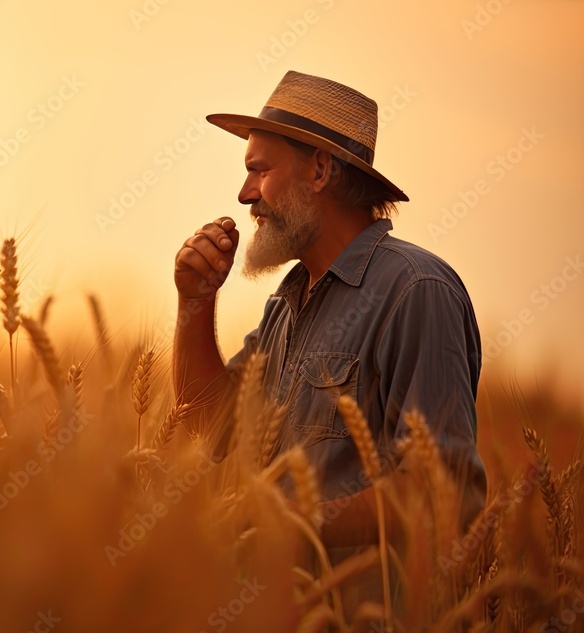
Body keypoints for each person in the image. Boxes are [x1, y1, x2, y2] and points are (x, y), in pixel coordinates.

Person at [172, 71, 486, 549]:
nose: (244, 193)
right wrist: (194, 302)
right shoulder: (287, 302)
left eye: (260, 170)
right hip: (277, 617)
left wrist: (292, 524)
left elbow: (445, 491)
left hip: (371, 622)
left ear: (320, 171)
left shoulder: (416, 291)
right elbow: (209, 426)